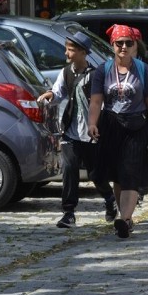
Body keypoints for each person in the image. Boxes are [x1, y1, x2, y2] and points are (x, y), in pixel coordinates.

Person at [88, 25, 148, 238]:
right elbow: (95, 101)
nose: (123, 47)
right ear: (112, 45)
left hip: (136, 126)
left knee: (130, 173)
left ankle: (125, 218)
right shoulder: (103, 70)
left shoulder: (143, 69)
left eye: (128, 43)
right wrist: (92, 123)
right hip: (111, 125)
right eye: (119, 43)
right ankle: (125, 218)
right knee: (118, 177)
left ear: (134, 46)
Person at [37, 32, 116, 228]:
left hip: (91, 132)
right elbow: (58, 92)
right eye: (67, 48)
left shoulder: (96, 74)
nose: (67, 53)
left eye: (71, 50)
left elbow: (104, 101)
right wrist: (49, 96)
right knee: (69, 168)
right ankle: (69, 213)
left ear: (83, 52)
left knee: (95, 173)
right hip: (71, 130)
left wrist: (99, 123)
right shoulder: (66, 72)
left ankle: (109, 200)